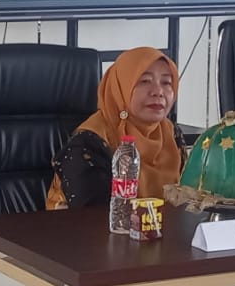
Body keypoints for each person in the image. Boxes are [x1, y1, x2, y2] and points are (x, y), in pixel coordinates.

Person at [47, 47, 183, 209]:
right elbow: (93, 217)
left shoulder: (170, 133)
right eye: (144, 81)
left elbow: (190, 201)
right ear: (120, 88)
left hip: (162, 225)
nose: (158, 92)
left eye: (167, 82)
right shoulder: (88, 143)